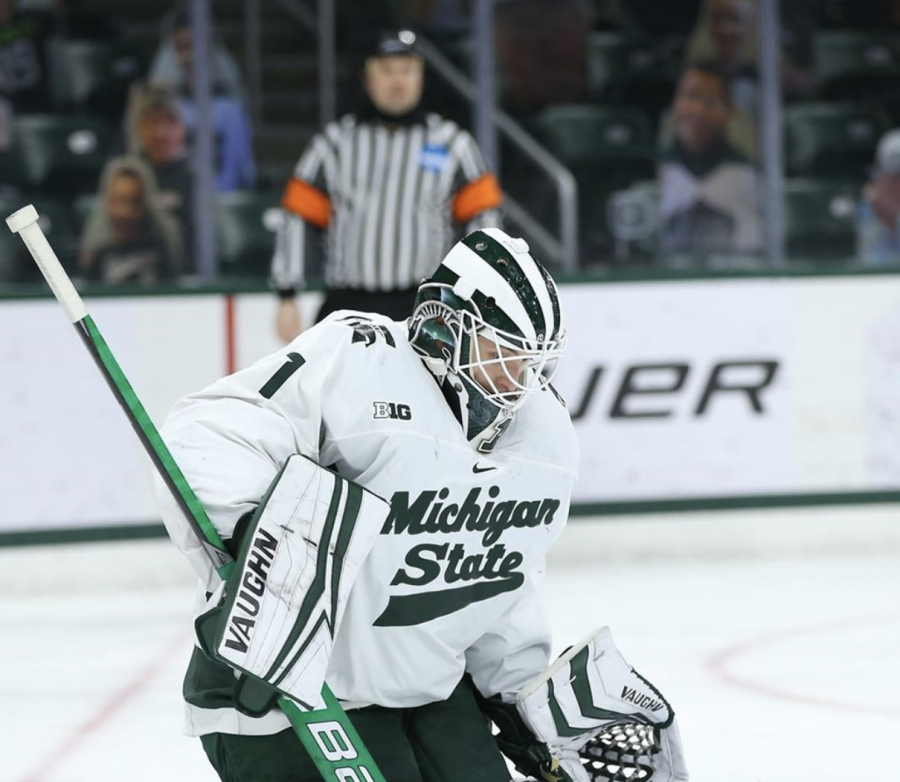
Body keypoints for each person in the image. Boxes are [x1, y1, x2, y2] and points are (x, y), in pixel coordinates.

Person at [156, 226, 688, 782]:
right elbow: (211, 429)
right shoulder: (357, 358)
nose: (519, 381)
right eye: (503, 354)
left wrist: (517, 698)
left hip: (427, 686)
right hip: (287, 693)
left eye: (532, 362)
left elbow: (504, 575)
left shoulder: (544, 435)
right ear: (444, 325)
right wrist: (254, 542)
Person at [270, 29, 503, 343]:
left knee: (423, 392)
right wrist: (287, 294)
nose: (398, 82)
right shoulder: (334, 145)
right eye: (387, 71)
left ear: (421, 78)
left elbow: (484, 225)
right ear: (368, 77)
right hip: (348, 305)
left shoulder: (453, 144)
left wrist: (481, 294)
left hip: (426, 306)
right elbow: (297, 218)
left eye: (407, 71)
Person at [658, 61, 762, 264]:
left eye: (710, 100)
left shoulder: (748, 177)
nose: (697, 110)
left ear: (729, 110)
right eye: (690, 96)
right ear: (675, 103)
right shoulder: (657, 172)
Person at [147, 5, 256, 192]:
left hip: (219, 208)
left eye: (197, 47)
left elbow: (239, 174)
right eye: (182, 48)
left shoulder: (229, 111)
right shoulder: (159, 109)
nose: (190, 58)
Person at [78, 156, 183, 284]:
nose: (126, 212)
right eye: (120, 202)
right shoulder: (98, 255)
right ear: (108, 204)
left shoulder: (161, 251)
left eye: (134, 202)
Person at [126, 84, 194, 268]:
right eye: (152, 122)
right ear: (140, 129)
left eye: (169, 122)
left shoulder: (196, 179)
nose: (161, 133)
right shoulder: (128, 178)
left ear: (182, 129)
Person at [857, 129, 900, 266]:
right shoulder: (870, 208)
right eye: (894, 177)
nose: (897, 186)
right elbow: (873, 268)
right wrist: (886, 216)